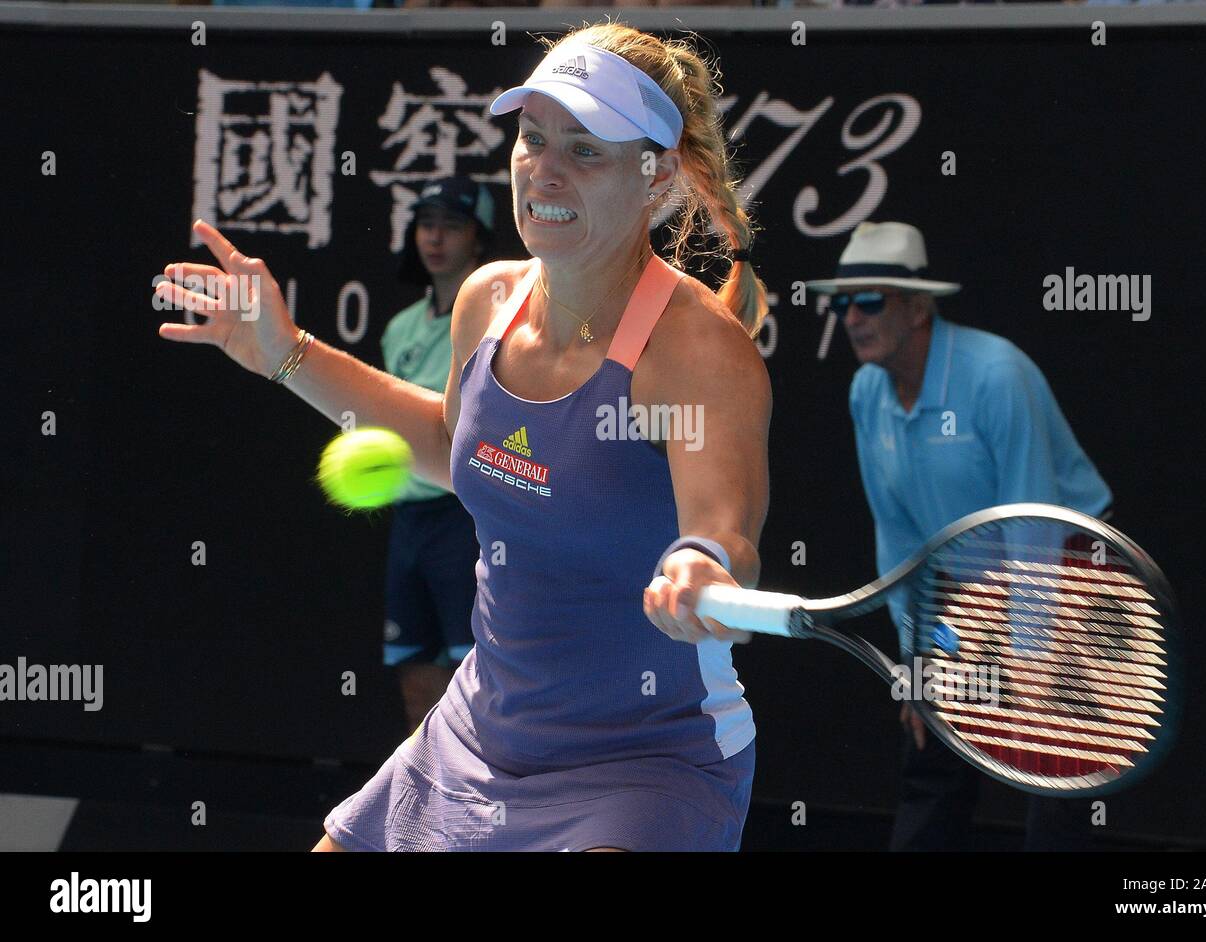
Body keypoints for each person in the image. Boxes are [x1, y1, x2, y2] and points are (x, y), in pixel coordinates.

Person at [156, 22, 771, 852]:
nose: (544, 170)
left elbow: (721, 525)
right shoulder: (488, 301)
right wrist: (284, 353)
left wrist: (700, 567)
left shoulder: (695, 352)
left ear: (654, 179)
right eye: (533, 138)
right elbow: (457, 448)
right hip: (478, 733)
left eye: (585, 151)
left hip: (645, 761)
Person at [807, 221, 1112, 851]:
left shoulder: (998, 376)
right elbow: (898, 539)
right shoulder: (866, 392)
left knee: (1059, 765)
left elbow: (1035, 528)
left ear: (919, 308)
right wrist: (919, 660)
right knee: (933, 740)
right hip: (967, 579)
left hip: (1070, 570)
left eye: (870, 300)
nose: (851, 318)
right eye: (842, 302)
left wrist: (1030, 652)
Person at [381, 176, 496, 731]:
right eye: (427, 225)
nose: (436, 238)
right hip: (409, 523)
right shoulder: (399, 328)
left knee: (473, 678)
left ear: (479, 239)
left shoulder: (501, 320)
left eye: (452, 226)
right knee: (415, 672)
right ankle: (421, 810)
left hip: (466, 519)